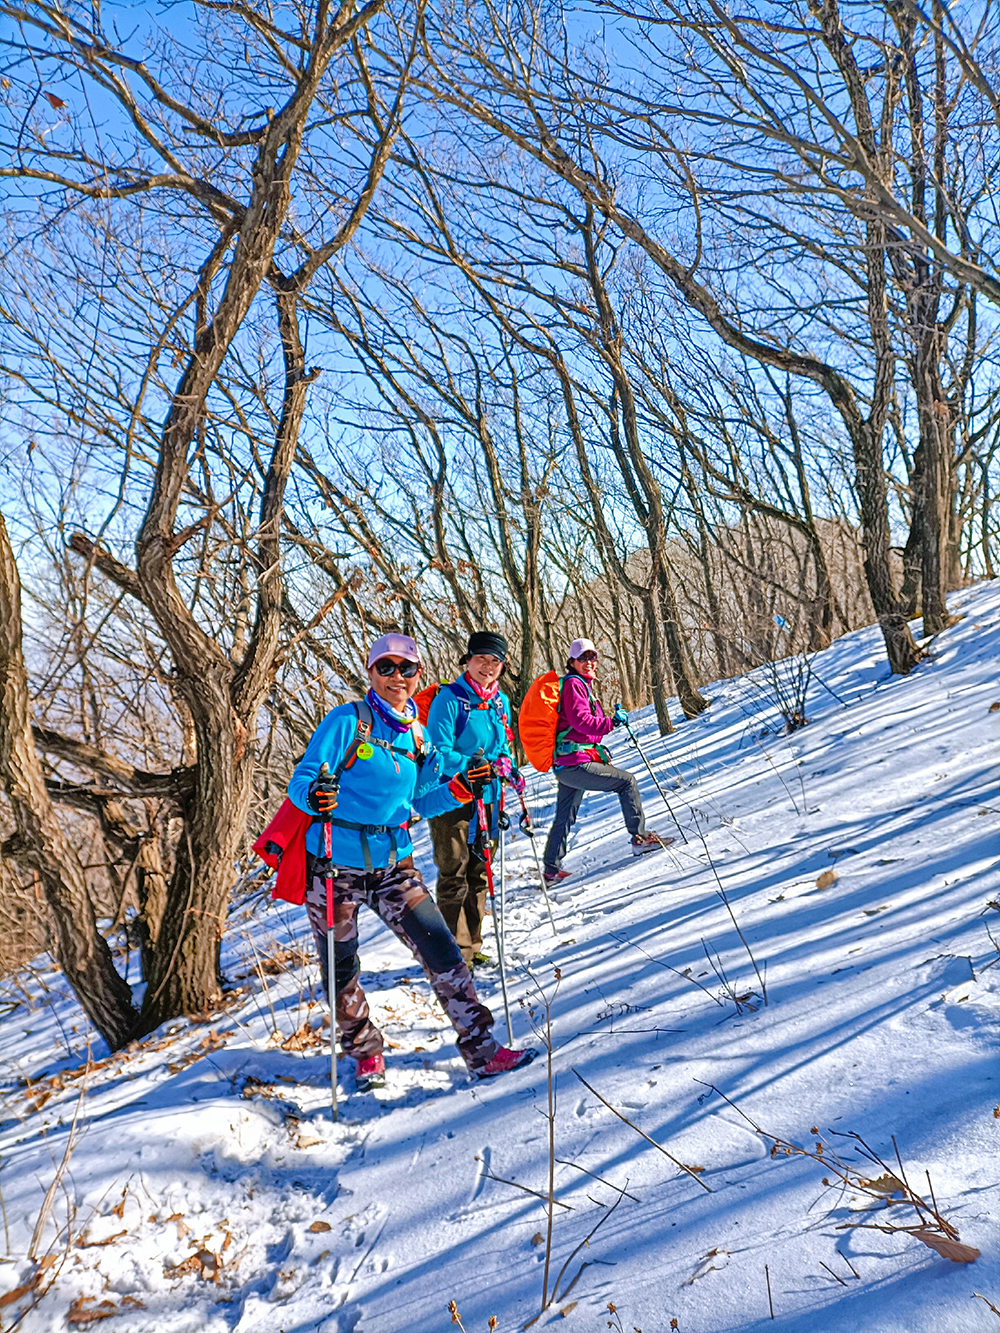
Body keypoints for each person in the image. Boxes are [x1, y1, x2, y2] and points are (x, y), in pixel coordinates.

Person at [286, 632, 536, 1089]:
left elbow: (421, 797)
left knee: (443, 953)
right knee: (341, 971)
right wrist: (315, 794)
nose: (397, 677)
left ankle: (481, 1051)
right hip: (333, 867)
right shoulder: (347, 722)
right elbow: (302, 780)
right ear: (371, 671)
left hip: (395, 866)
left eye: (407, 668)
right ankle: (364, 1053)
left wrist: (462, 789)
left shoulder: (416, 733)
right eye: (387, 667)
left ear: (418, 673)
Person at [425, 631, 524, 969]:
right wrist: (471, 766)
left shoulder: (500, 701)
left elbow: (503, 744)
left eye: (495, 661)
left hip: (490, 797)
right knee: (454, 869)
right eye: (481, 659)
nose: (488, 666)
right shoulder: (449, 699)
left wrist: (507, 765)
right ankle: (457, 951)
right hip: (451, 797)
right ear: (467, 659)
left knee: (480, 870)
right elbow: (438, 752)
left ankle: (474, 944)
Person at [542, 637, 671, 884]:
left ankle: (551, 869)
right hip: (575, 762)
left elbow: (588, 730)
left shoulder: (581, 685)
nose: (589, 662)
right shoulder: (574, 685)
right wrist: (613, 722)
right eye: (583, 658)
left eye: (592, 657)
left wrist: (606, 724)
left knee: (565, 814)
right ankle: (640, 838)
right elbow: (582, 722)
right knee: (627, 783)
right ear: (572, 662)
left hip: (567, 763)